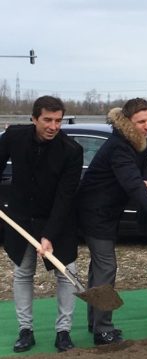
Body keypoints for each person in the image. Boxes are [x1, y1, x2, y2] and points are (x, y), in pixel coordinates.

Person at [76, 98, 147, 344]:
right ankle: (103, 330)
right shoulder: (119, 147)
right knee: (106, 267)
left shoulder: (138, 143)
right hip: (94, 212)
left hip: (108, 212)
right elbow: (133, 185)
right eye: (140, 122)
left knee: (99, 268)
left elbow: (143, 168)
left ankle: (95, 322)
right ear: (127, 122)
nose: (146, 126)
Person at [0, 96, 83, 352]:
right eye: (47, 120)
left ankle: (63, 332)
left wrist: (49, 235)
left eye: (58, 120)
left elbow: (65, 197)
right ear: (34, 118)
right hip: (20, 218)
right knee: (24, 274)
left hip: (58, 220)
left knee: (67, 274)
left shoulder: (71, 150)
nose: (53, 126)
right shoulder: (14, 136)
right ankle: (26, 331)